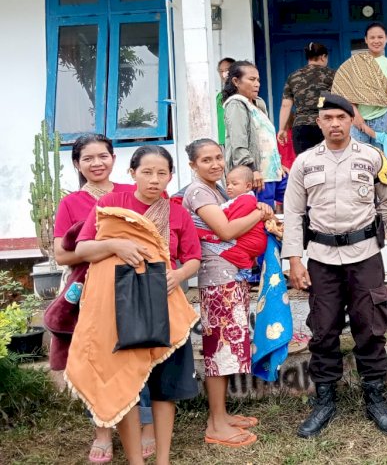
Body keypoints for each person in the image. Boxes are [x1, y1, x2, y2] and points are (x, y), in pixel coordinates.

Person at [71, 146, 201, 465]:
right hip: (120, 306)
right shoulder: (111, 205)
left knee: (164, 386)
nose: (154, 180)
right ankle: (135, 460)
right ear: (131, 173)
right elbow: (83, 248)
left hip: (164, 304)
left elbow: (194, 257)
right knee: (124, 380)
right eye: (147, 172)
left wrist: (179, 273)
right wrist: (116, 244)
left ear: (171, 176)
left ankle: (163, 459)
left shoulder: (177, 212)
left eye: (162, 173)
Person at [282, 93, 387, 438]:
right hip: (321, 258)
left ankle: (375, 397)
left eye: (341, 117)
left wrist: (372, 235)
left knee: (371, 325)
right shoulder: (304, 162)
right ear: (319, 123)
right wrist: (294, 260)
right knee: (323, 329)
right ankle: (324, 399)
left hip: (365, 255)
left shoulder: (373, 156)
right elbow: (293, 213)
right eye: (328, 118)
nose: (335, 124)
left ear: (352, 120)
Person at [50, 134, 156, 463]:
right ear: (77, 164)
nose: (96, 163)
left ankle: (147, 426)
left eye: (103, 156)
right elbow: (62, 255)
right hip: (89, 291)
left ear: (113, 158)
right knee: (95, 359)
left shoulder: (131, 193)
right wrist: (110, 247)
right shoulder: (70, 204)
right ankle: (102, 431)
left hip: (133, 288)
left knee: (139, 354)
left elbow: (154, 237)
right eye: (88, 158)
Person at [182, 138, 275, 448]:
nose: (215, 164)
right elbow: (226, 231)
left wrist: (257, 204)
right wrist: (261, 213)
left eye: (218, 157)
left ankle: (219, 416)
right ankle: (217, 424)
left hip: (230, 274)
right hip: (217, 277)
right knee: (220, 350)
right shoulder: (198, 192)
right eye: (206, 160)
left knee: (228, 346)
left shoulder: (220, 191)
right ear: (193, 165)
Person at [222, 60, 285, 208]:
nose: (257, 84)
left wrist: (278, 164)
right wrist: (252, 170)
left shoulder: (258, 104)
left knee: (299, 199)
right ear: (236, 81)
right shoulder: (236, 105)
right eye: (251, 79)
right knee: (263, 217)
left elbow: (265, 140)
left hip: (273, 172)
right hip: (257, 176)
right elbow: (239, 143)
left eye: (258, 80)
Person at [332, 22, 387, 143]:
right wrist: (355, 115)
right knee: (358, 156)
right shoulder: (354, 64)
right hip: (357, 119)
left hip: (382, 118)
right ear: (366, 40)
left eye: (380, 37)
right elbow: (345, 92)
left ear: (386, 38)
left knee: (380, 156)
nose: (376, 41)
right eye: (372, 37)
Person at [195, 165, 268, 282]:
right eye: (228, 184)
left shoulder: (246, 200)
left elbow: (231, 222)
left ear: (248, 186)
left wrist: (213, 217)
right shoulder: (240, 199)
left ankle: (246, 267)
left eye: (234, 184)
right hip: (253, 241)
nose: (229, 187)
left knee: (226, 248)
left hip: (252, 241)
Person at [277, 42, 336, 154]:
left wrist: (282, 129)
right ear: (323, 57)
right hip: (324, 125)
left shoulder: (293, 76)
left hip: (300, 127)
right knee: (327, 164)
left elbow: (286, 105)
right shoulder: (332, 74)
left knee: (304, 166)